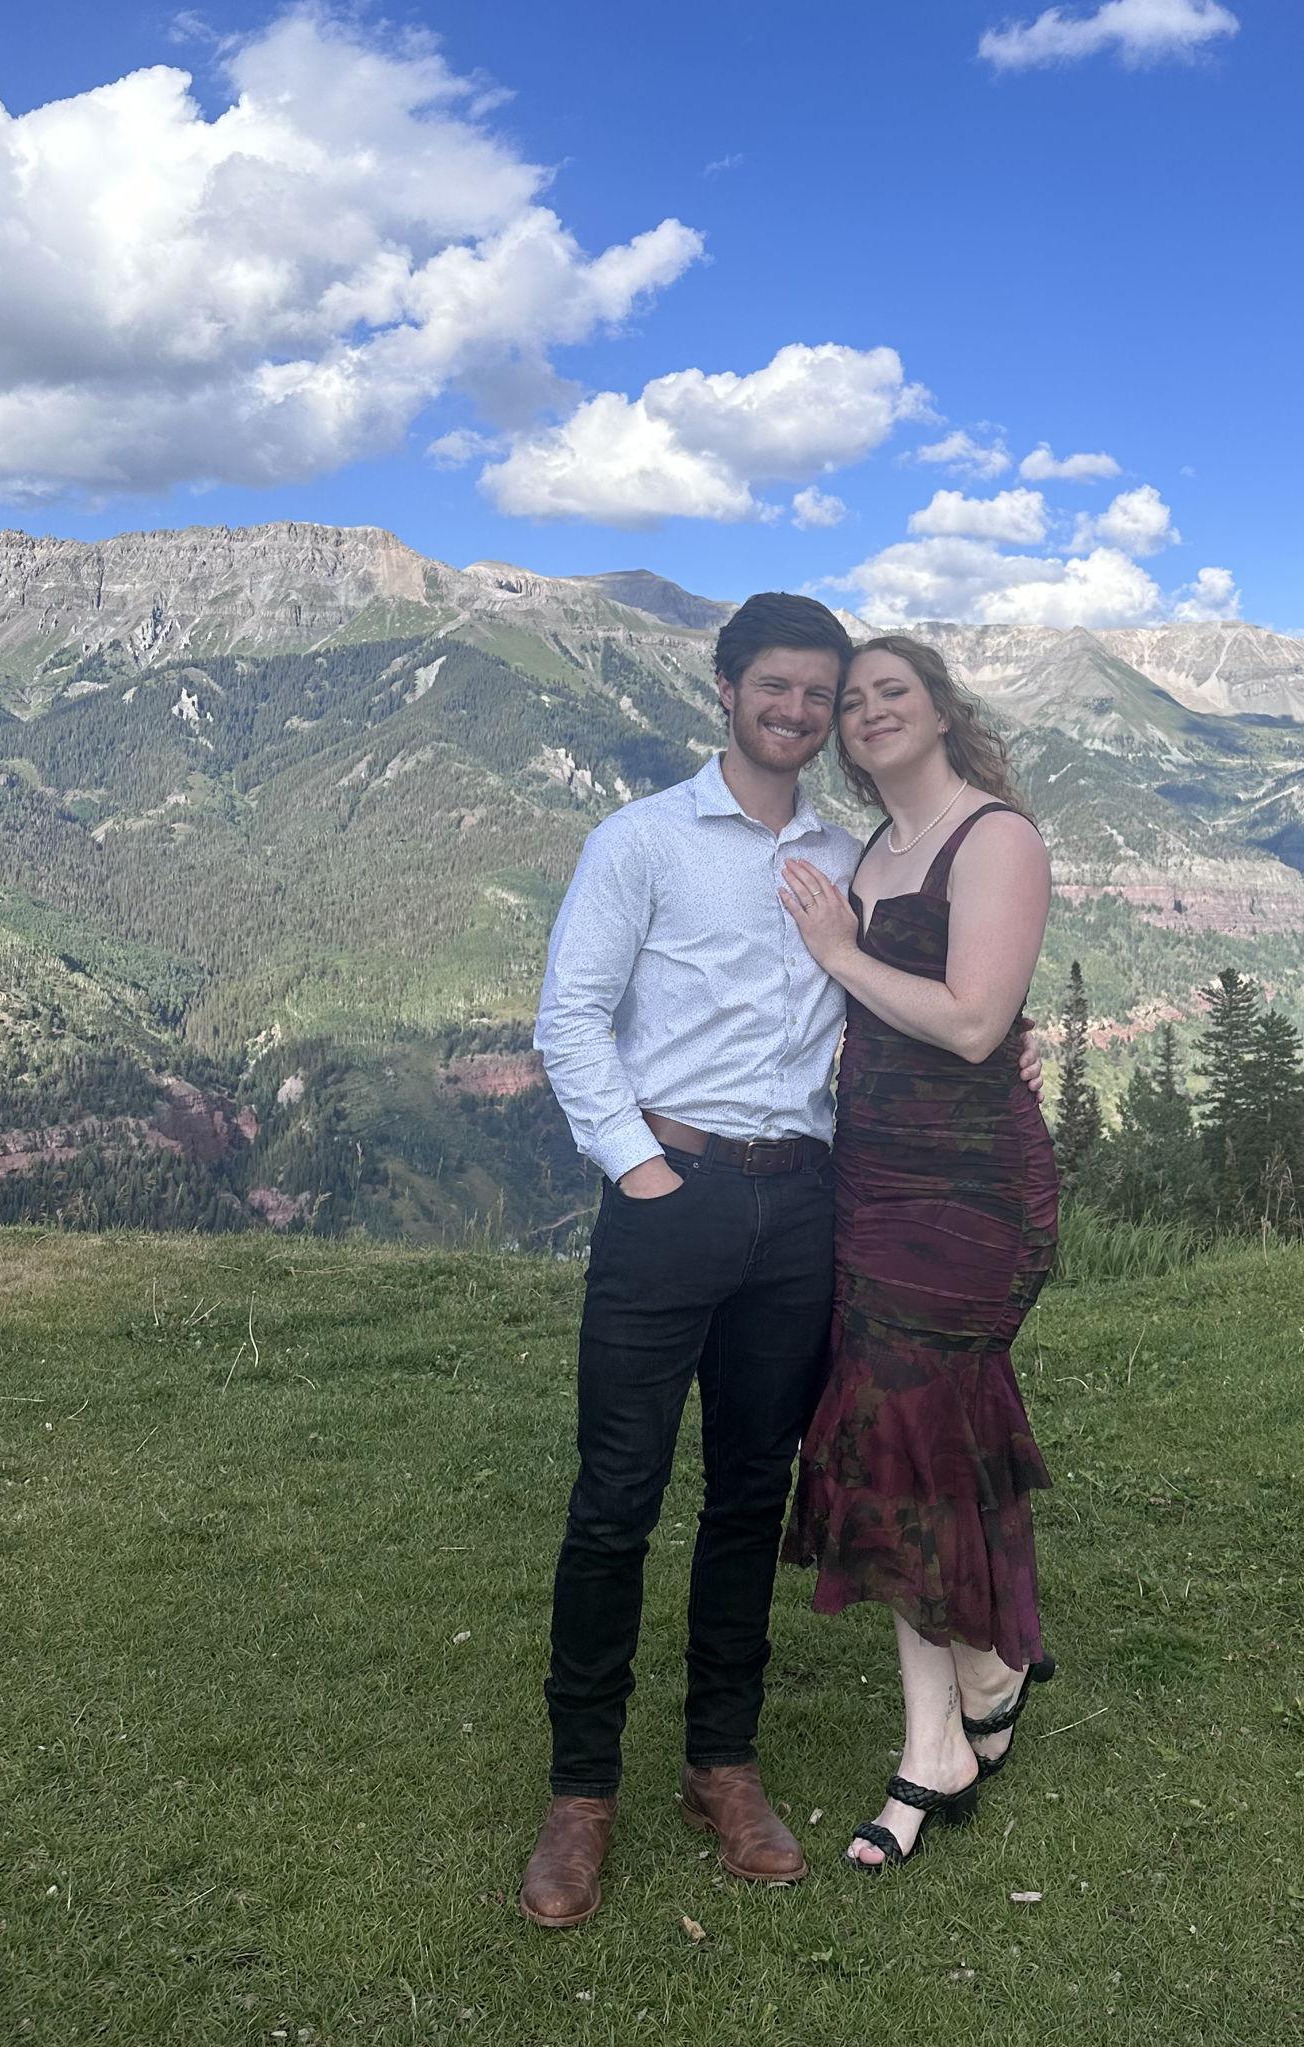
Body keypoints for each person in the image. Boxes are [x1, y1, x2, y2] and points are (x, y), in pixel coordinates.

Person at [520, 596, 1039, 1928]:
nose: (804, 710)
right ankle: (583, 1791)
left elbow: (926, 1001)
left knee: (752, 1489)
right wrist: (639, 1165)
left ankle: (721, 1762)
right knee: (617, 1493)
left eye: (824, 693)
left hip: (803, 1206)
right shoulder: (641, 839)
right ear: (726, 687)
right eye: (781, 687)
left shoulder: (844, 857)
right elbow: (570, 1013)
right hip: (671, 1191)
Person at [779, 633, 1059, 1871]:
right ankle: (989, 1671)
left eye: (894, 691)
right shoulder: (867, 853)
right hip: (870, 1181)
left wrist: (842, 956)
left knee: (888, 1437)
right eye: (853, 702)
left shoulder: (989, 837)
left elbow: (973, 1020)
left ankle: (931, 1746)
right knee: (929, 1437)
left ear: (941, 710)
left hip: (968, 1191)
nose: (869, 711)